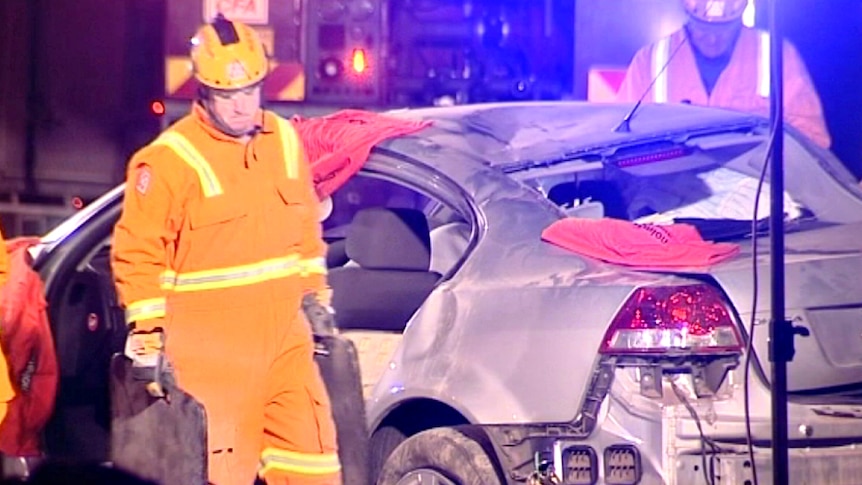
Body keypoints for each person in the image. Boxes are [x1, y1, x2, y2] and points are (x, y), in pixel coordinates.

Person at [110, 13, 340, 485]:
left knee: (314, 468)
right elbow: (138, 253)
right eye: (228, 95)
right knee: (222, 476)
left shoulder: (284, 141)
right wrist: (148, 333)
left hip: (286, 349)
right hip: (213, 360)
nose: (241, 107)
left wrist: (315, 298)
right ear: (203, 92)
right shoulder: (168, 161)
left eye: (250, 91)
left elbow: (304, 233)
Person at [616, 0, 831, 149]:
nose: (712, 40)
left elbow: (813, 140)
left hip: (756, 199)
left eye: (724, 31)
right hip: (667, 201)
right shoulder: (649, 61)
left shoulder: (778, 56)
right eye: (702, 30)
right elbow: (617, 141)